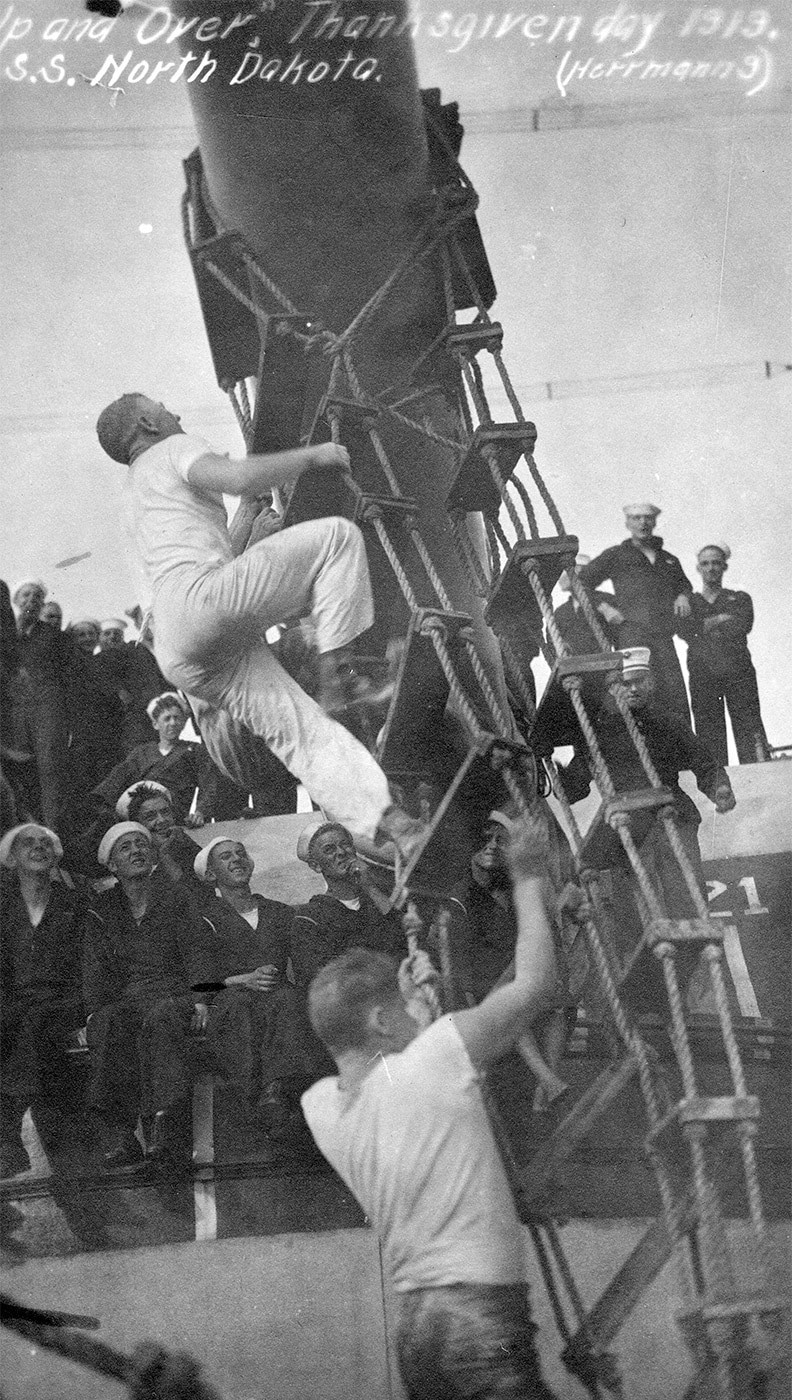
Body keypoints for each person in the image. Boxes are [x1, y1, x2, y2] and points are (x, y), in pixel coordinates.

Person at [95, 394, 423, 862]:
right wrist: (315, 456)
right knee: (337, 539)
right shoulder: (170, 449)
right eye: (167, 409)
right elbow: (239, 478)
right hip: (202, 602)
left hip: (178, 653)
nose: (178, 414)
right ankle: (340, 673)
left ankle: (393, 827)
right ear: (148, 423)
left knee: (303, 732)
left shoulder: (131, 498)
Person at [301, 814, 559, 1400]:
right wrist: (526, 880)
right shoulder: (434, 1058)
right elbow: (538, 985)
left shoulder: (322, 1108)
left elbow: (381, 1064)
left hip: (417, 1330)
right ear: (380, 1021)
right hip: (480, 1319)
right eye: (396, 1008)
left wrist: (412, 1011)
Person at [82, 822, 206, 1170]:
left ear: (152, 855)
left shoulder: (176, 897)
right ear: (112, 865)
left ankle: (165, 1128)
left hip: (174, 996)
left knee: (163, 1017)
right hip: (129, 1000)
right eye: (126, 848)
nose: (136, 851)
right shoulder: (102, 908)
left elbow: (197, 950)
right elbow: (93, 965)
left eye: (141, 845)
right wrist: (93, 1012)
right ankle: (121, 1134)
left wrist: (200, 998)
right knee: (107, 1022)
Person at [190, 837, 318, 1133]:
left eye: (240, 853)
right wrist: (243, 979)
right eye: (225, 857)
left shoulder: (281, 913)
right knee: (238, 1006)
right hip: (231, 997)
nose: (236, 859)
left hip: (278, 995)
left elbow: (300, 962)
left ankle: (279, 1092)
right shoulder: (202, 920)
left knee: (289, 1000)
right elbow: (198, 981)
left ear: (250, 863)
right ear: (211, 876)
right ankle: (256, 1101)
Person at [0, 824, 84, 1178]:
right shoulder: (2, 907)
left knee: (32, 1023)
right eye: (27, 843)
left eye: (45, 843)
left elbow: (90, 963)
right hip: (15, 1004)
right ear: (11, 858)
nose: (38, 847)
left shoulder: (75, 903)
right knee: (21, 1021)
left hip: (65, 1003)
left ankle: (7, 1133)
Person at [579, 504, 693, 721]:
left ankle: (680, 750)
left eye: (648, 518)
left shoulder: (668, 559)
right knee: (636, 692)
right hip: (632, 634)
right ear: (627, 523)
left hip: (662, 636)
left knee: (674, 693)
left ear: (655, 522)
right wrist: (604, 607)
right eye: (637, 518)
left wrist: (683, 596)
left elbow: (684, 585)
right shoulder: (616, 555)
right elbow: (581, 582)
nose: (643, 523)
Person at [290, 821, 405, 994]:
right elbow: (316, 980)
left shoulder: (377, 900)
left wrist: (371, 888)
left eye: (345, 845)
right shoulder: (309, 918)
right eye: (329, 850)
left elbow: (406, 941)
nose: (341, 853)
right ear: (315, 865)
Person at [684, 543, 770, 766]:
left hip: (738, 671)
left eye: (715, 563)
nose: (711, 568)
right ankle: (717, 785)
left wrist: (703, 626)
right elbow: (685, 630)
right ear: (698, 568)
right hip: (703, 673)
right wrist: (721, 618)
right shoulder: (690, 602)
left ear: (724, 567)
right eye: (705, 563)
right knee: (708, 730)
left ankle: (759, 775)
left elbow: (742, 624)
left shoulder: (739, 598)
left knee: (749, 726)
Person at [91, 691, 215, 827]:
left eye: (177, 718)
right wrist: (99, 803)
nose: (173, 723)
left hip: (174, 816)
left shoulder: (195, 750)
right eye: (167, 719)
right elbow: (117, 778)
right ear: (156, 724)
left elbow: (209, 785)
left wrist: (200, 812)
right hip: (143, 814)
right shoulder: (142, 752)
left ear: (184, 722)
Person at [550, 554, 618, 656]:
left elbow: (622, 634)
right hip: (574, 667)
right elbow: (552, 641)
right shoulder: (561, 613)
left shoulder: (607, 600)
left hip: (605, 664)